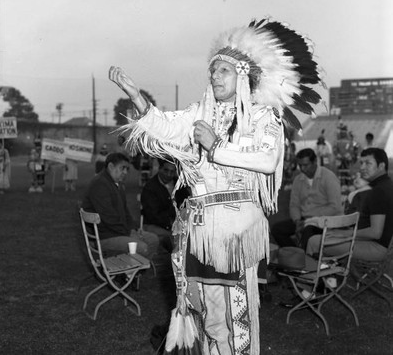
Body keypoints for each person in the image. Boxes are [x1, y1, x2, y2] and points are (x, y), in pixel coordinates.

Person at [109, 17, 323, 354]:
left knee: (235, 316)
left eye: (222, 70)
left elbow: (267, 159)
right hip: (199, 229)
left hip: (237, 230)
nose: (214, 76)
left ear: (242, 76)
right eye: (212, 71)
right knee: (205, 312)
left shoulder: (263, 117)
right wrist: (137, 98)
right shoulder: (201, 115)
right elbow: (165, 126)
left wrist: (216, 147)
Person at [307, 148, 393, 262]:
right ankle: (330, 272)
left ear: (381, 166)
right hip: (386, 247)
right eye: (361, 163)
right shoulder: (388, 184)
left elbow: (375, 232)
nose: (362, 167)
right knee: (329, 235)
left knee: (314, 241)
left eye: (368, 163)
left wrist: (344, 234)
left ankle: (311, 276)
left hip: (376, 248)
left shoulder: (378, 191)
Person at [82, 151, 159, 260]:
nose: (125, 172)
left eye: (127, 169)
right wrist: (129, 232)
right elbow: (108, 218)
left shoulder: (116, 184)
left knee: (153, 239)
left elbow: (125, 212)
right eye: (122, 168)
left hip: (116, 232)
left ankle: (132, 273)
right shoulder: (100, 185)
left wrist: (133, 229)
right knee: (142, 247)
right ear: (111, 166)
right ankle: (129, 273)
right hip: (103, 237)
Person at [272, 148, 343, 250]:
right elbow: (294, 204)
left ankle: (305, 258)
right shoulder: (298, 180)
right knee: (277, 229)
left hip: (326, 219)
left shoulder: (329, 177)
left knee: (308, 231)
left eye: (306, 165)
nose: (302, 169)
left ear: (315, 162)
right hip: (303, 219)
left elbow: (335, 206)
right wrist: (297, 221)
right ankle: (298, 253)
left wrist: (311, 219)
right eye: (300, 165)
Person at [141, 158, 188, 252]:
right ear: (159, 169)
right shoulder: (150, 188)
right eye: (166, 170)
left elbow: (187, 202)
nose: (169, 174)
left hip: (176, 224)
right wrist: (172, 224)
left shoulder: (179, 185)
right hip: (154, 225)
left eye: (172, 171)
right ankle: (177, 263)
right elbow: (153, 215)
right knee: (175, 238)